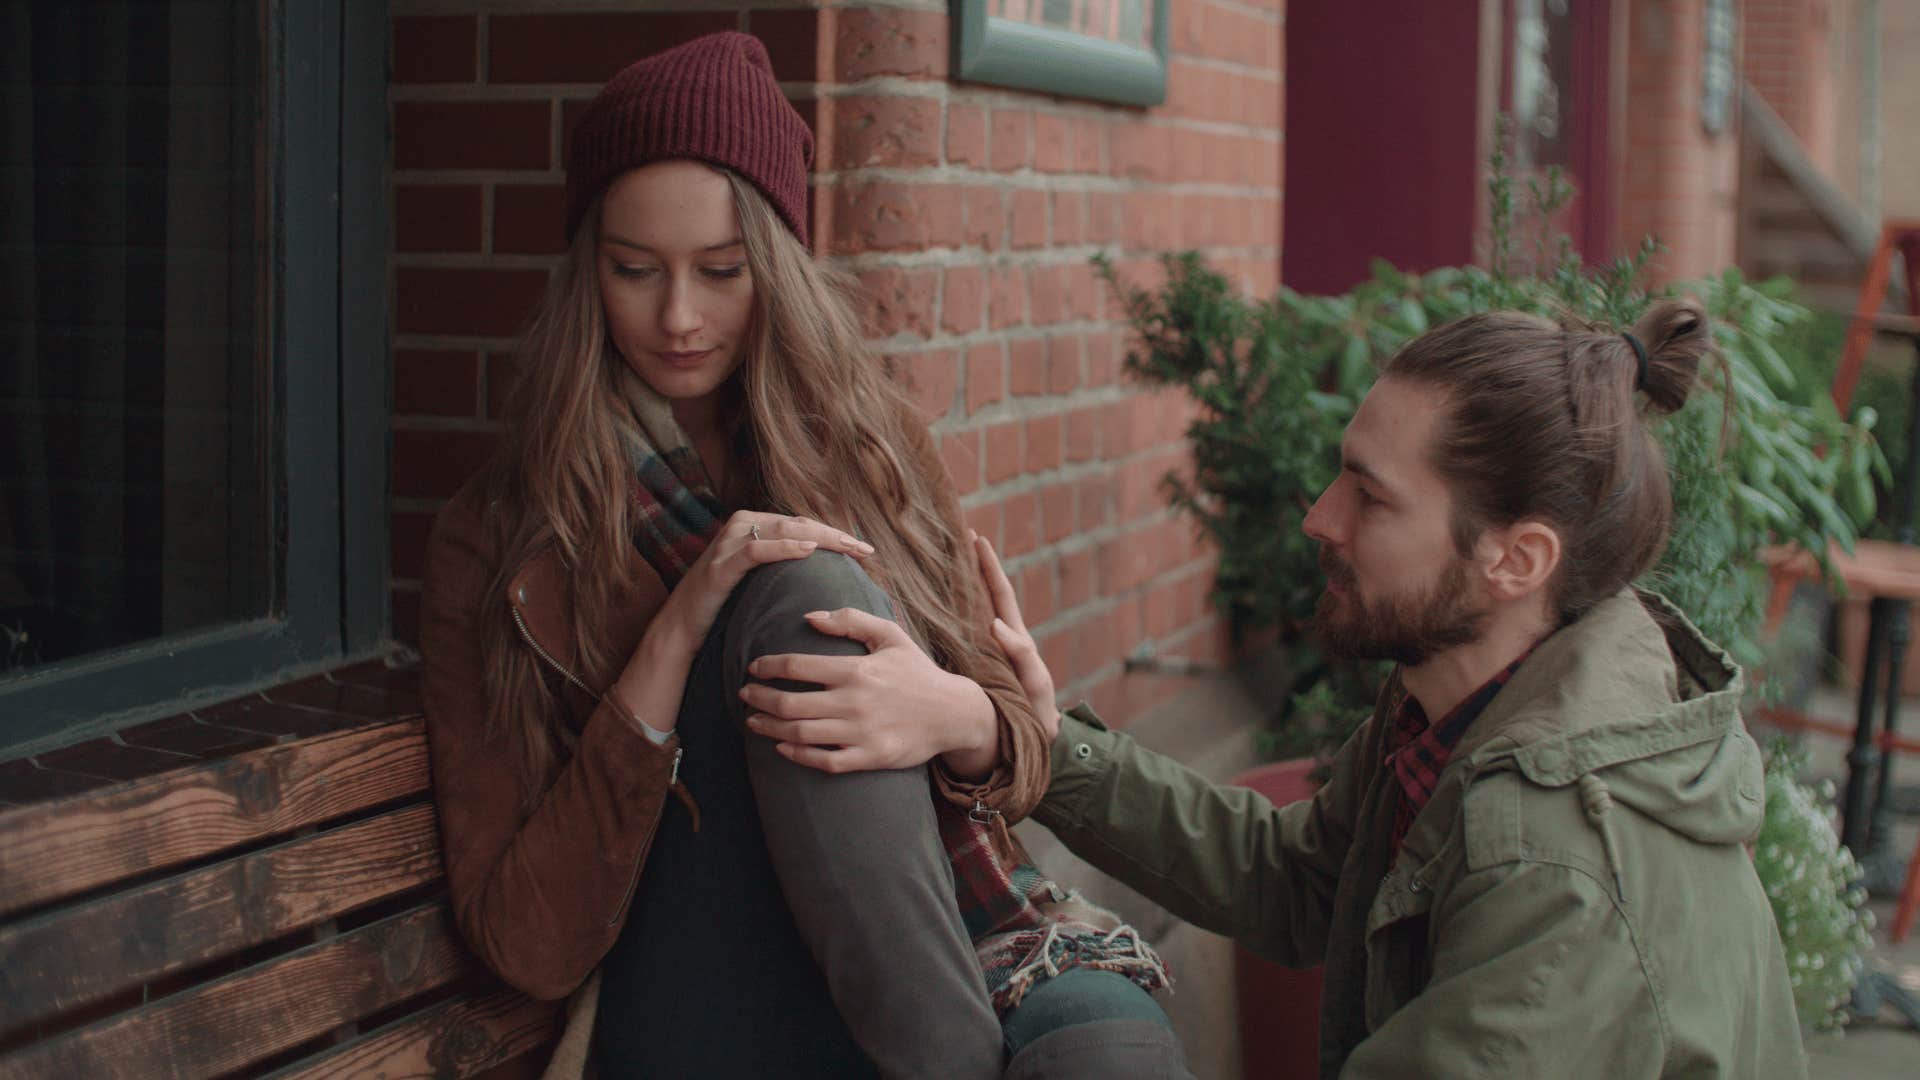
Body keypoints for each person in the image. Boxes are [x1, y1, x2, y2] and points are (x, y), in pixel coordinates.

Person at [754, 300, 1810, 1076]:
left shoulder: (1556, 860)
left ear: (1516, 561)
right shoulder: (1481, 708)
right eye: (1340, 470)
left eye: (1370, 496)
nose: (1319, 516)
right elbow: (1295, 879)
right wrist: (1016, 736)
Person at [418, 31, 1182, 1080]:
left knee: (1110, 1060)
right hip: (705, 979)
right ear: (586, 268)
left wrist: (964, 717)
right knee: (802, 589)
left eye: (721, 271)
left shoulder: (873, 449)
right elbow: (525, 939)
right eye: (634, 270)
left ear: (774, 264)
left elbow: (1017, 757)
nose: (678, 316)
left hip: (962, 937)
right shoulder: (499, 540)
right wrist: (680, 629)